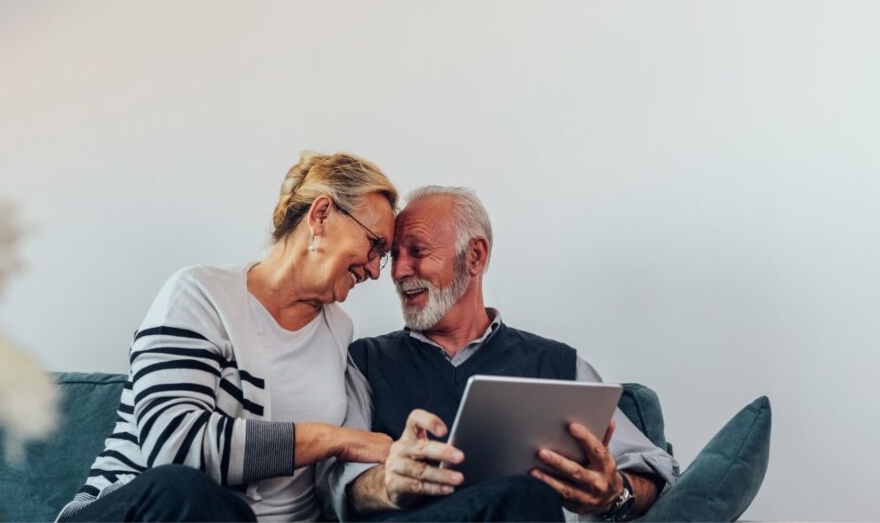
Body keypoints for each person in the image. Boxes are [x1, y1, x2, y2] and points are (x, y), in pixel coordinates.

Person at [58, 152, 401, 522]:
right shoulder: (199, 295)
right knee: (181, 488)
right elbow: (174, 447)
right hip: (151, 510)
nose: (374, 270)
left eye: (382, 256)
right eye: (374, 245)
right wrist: (331, 438)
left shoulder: (340, 333)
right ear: (320, 215)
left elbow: (342, 477)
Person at [324, 186, 680, 522]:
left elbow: (655, 470)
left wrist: (616, 493)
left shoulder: (557, 364)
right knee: (524, 494)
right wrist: (387, 481)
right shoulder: (365, 361)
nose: (400, 271)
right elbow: (339, 482)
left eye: (416, 251)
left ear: (475, 256)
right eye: (394, 256)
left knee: (524, 496)